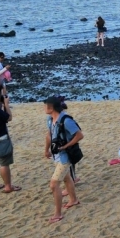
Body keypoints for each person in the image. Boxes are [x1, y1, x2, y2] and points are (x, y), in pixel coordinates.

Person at [44, 96, 83, 224]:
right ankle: (73, 200)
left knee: (54, 185)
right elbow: (49, 135)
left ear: (51, 108)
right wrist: (46, 150)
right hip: (57, 155)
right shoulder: (50, 119)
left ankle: (58, 214)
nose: (44, 108)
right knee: (67, 178)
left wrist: (66, 146)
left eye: (45, 106)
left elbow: (79, 135)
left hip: (65, 158)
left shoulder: (66, 120)